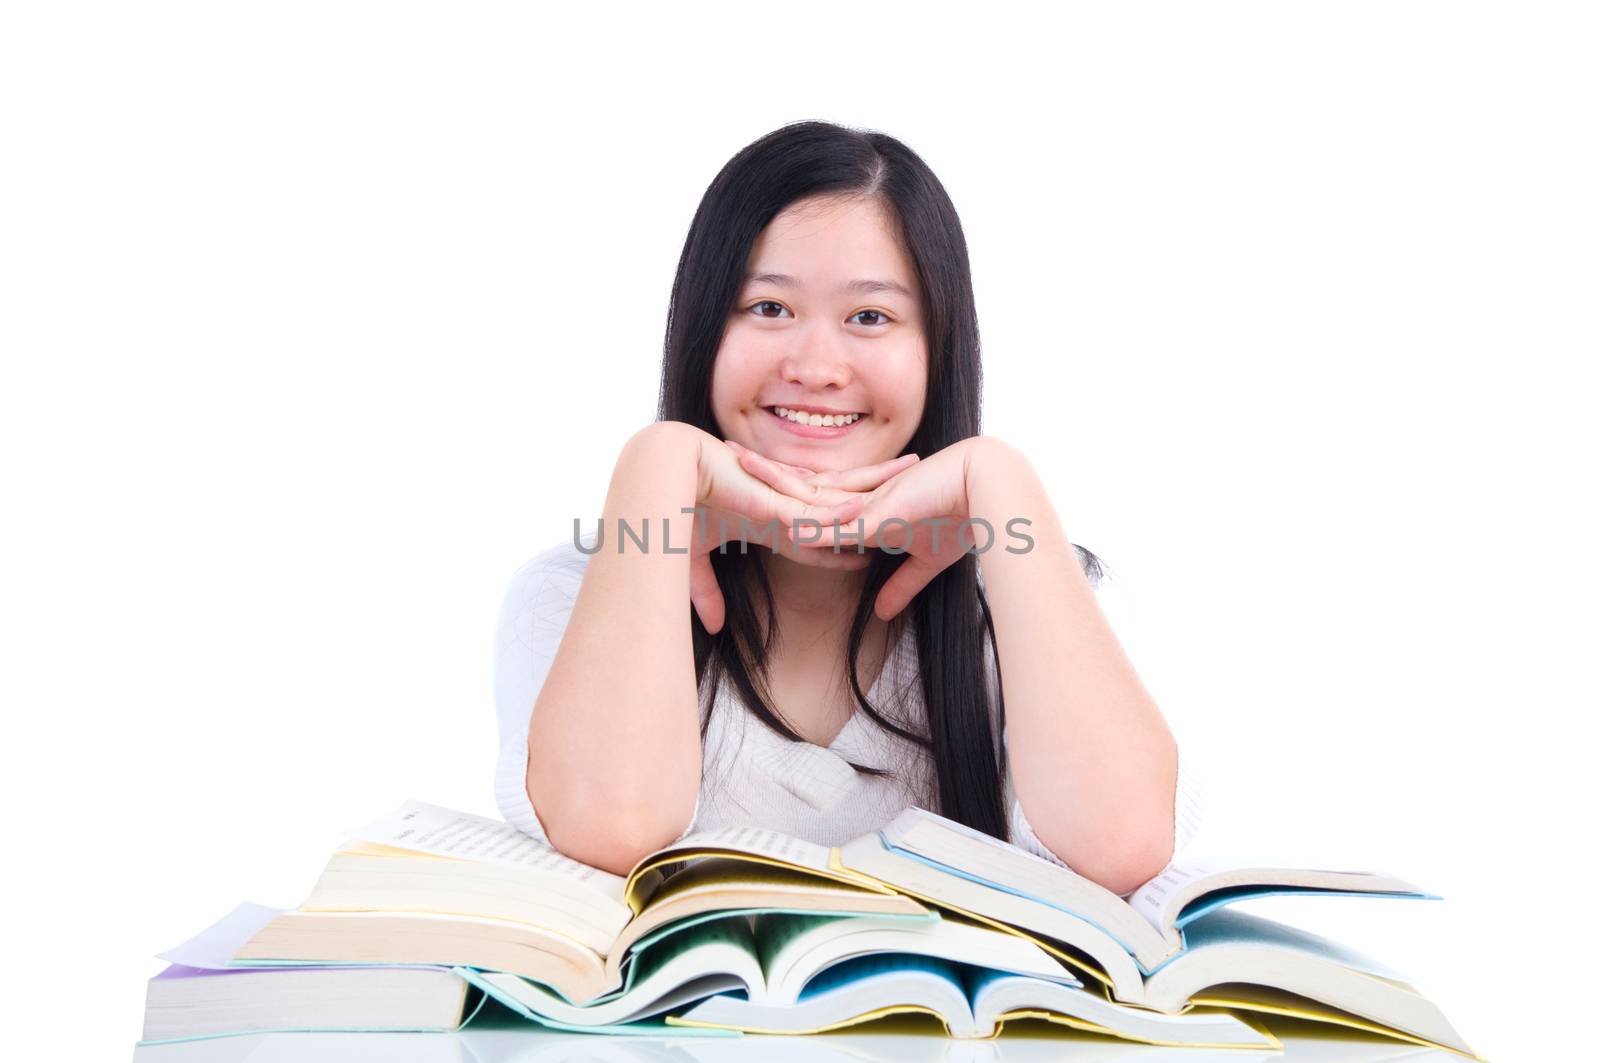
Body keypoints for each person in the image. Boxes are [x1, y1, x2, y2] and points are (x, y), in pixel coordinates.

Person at [493, 121, 1202, 896]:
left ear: (938, 349)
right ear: (702, 329)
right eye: (767, 307)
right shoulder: (575, 596)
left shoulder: (1030, 593)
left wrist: (1003, 483)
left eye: (869, 317)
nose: (816, 368)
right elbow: (611, 829)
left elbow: (1125, 848)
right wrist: (654, 466)